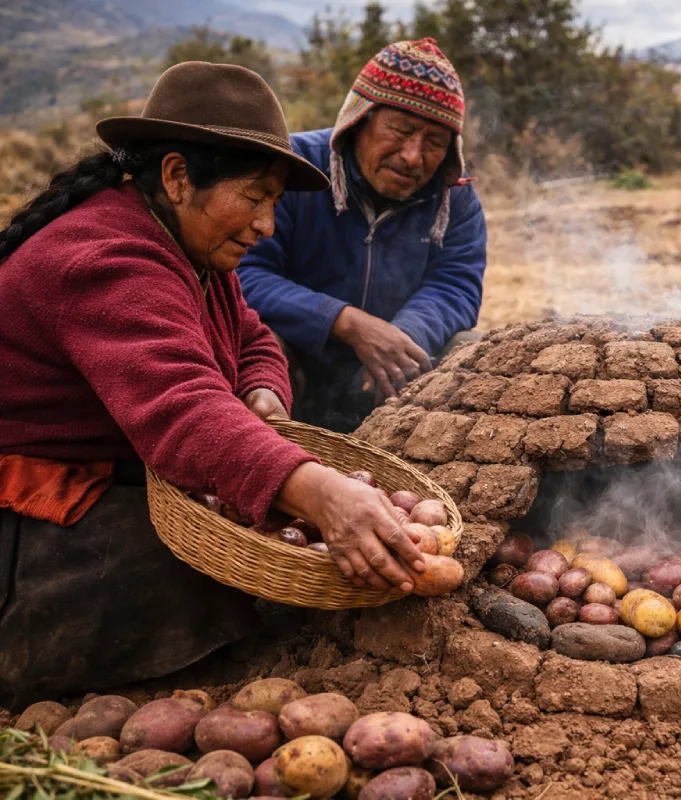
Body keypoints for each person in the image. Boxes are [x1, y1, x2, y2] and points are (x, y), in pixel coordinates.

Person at [0, 62, 427, 709]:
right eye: (255, 198)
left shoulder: (188, 243)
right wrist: (323, 496)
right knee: (190, 572)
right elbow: (182, 411)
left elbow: (252, 335)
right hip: (33, 502)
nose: (264, 226)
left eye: (274, 204)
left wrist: (263, 396)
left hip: (110, 465)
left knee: (235, 541)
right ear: (177, 176)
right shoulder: (107, 258)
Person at [238, 38, 487, 433]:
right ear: (359, 120)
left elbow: (455, 284)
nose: (412, 156)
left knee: (471, 351)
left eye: (435, 142)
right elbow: (245, 273)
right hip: (298, 359)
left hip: (388, 375)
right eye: (401, 130)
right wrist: (347, 323)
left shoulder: (454, 196)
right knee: (258, 346)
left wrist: (405, 336)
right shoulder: (294, 168)